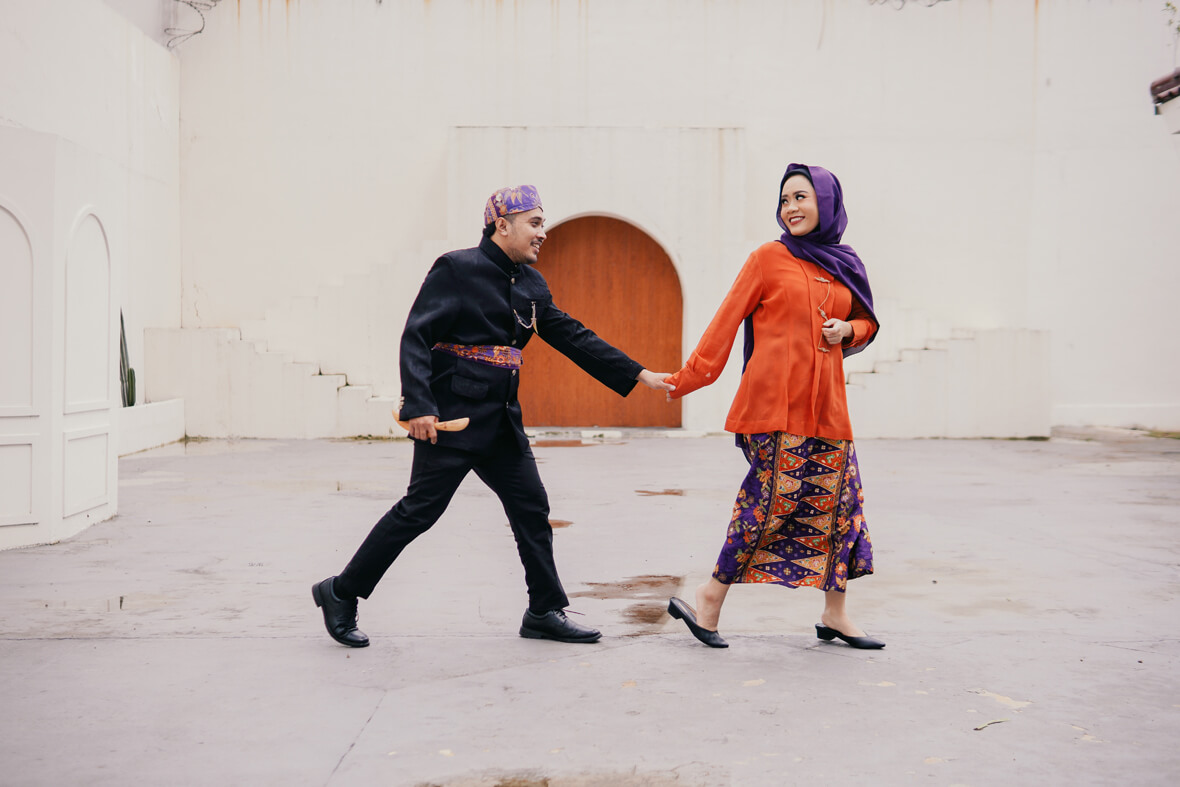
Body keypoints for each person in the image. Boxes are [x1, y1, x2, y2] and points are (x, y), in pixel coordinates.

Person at [313, 185, 674, 648]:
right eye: (535, 223)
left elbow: (572, 335)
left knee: (532, 510)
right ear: (502, 225)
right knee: (419, 512)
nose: (543, 233)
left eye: (543, 223)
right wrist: (419, 405)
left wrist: (639, 373)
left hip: (502, 421)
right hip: (452, 420)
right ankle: (341, 592)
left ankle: (543, 610)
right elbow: (417, 336)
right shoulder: (456, 268)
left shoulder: (531, 285)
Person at [664, 164, 884, 650]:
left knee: (840, 509)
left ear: (826, 202)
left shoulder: (844, 262)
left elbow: (867, 321)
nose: (791, 208)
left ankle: (835, 613)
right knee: (765, 508)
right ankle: (709, 599)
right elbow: (725, 322)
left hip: (828, 409)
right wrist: (687, 379)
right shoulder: (768, 258)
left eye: (801, 197)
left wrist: (847, 329)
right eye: (785, 200)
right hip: (775, 409)